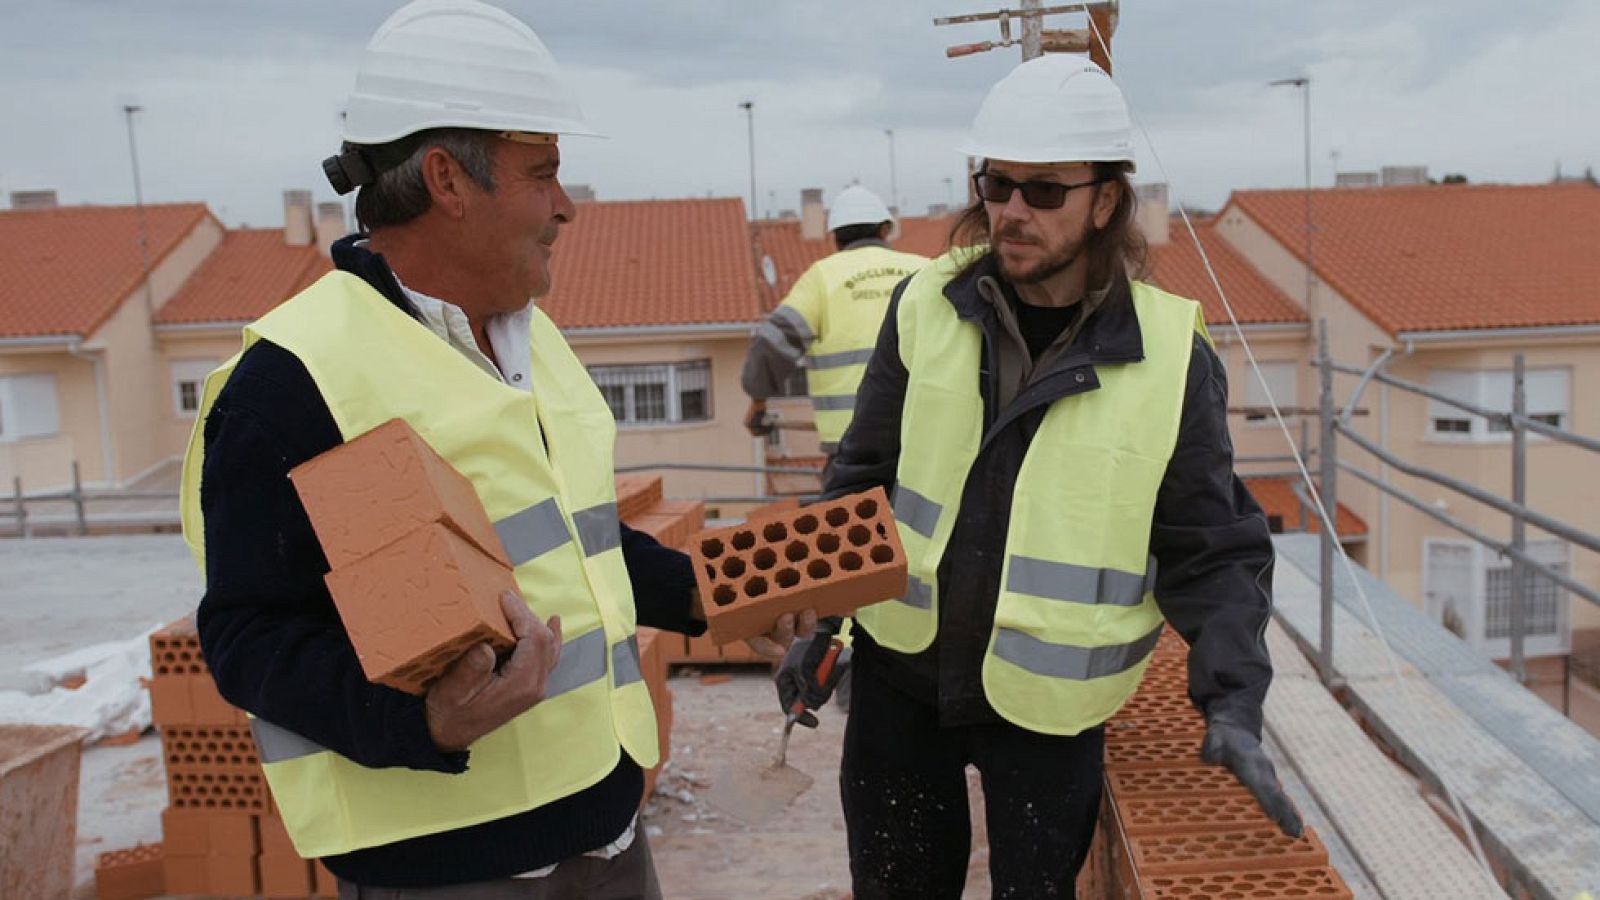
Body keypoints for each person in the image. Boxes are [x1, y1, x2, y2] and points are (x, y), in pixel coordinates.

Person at [178, 2, 811, 896]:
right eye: (543, 173)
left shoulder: (531, 339)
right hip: (447, 862)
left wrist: (724, 595)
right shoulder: (295, 380)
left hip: (604, 823)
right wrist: (423, 718)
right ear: (447, 177)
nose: (565, 206)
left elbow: (577, 553)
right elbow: (248, 635)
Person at [776, 55, 1300, 898]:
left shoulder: (1170, 357)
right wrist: (825, 627)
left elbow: (1212, 549)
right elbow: (861, 485)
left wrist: (1234, 701)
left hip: (1048, 715)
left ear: (1105, 199)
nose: (1012, 211)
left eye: (1044, 190)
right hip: (902, 686)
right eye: (997, 183)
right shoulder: (924, 306)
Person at [741, 185, 928, 458]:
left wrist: (758, 402)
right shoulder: (924, 271)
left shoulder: (822, 278)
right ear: (885, 229)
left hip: (851, 446)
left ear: (835, 238)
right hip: (923, 439)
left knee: (853, 504)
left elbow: (771, 346)